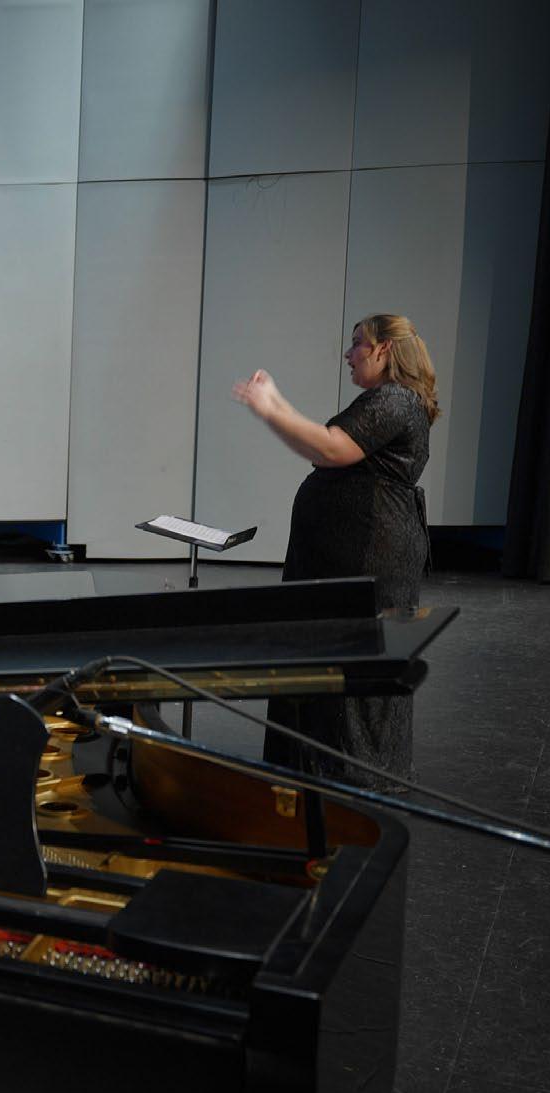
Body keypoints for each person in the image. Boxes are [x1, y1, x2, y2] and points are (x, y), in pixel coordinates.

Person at [231, 313, 439, 789]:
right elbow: (321, 445)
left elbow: (331, 449)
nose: (348, 354)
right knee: (325, 656)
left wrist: (269, 409)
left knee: (352, 662)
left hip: (368, 553)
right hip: (351, 551)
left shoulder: (394, 399)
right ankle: (315, 764)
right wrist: (275, 401)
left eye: (358, 344)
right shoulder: (389, 400)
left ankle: (350, 773)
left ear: (384, 349)